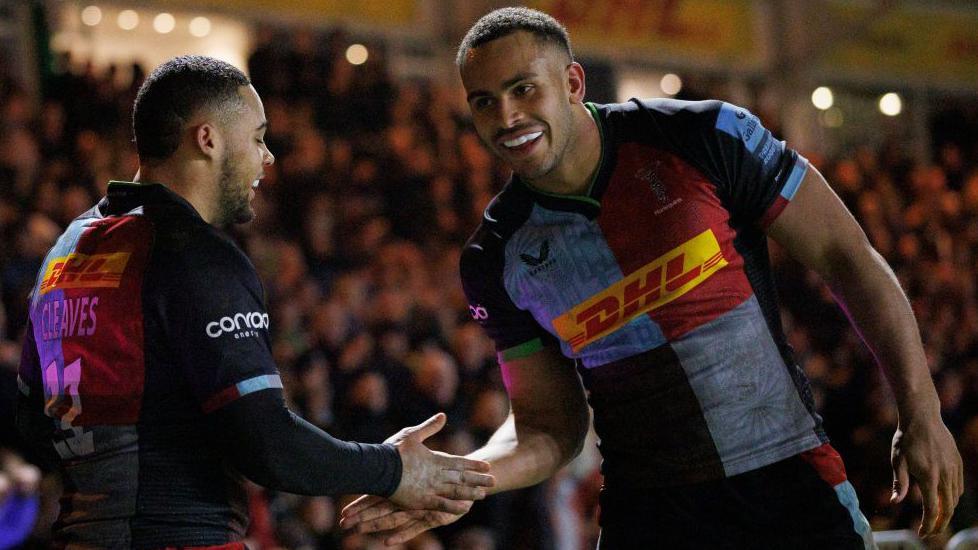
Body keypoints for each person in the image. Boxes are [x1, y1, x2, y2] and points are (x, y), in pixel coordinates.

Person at [340, 7, 963, 548]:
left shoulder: (703, 135)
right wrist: (462, 475)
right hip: (652, 515)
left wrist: (921, 410)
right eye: (484, 101)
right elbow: (549, 426)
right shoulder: (493, 258)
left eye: (523, 89)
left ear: (573, 81)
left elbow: (848, 257)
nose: (506, 116)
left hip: (789, 483)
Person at [14, 55, 493, 548]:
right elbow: (264, 442)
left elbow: (31, 419)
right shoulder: (197, 256)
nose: (268, 158)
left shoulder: (67, 249)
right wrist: (391, 469)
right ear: (208, 139)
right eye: (258, 137)